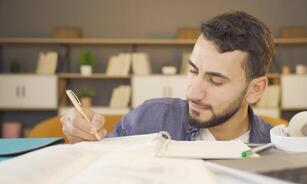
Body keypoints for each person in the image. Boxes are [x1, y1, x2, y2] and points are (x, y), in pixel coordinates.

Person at [61, 10, 275, 144]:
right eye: (193, 71)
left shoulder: (277, 147)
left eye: (216, 81)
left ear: (255, 89)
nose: (192, 92)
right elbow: (99, 163)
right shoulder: (148, 120)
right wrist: (81, 137)